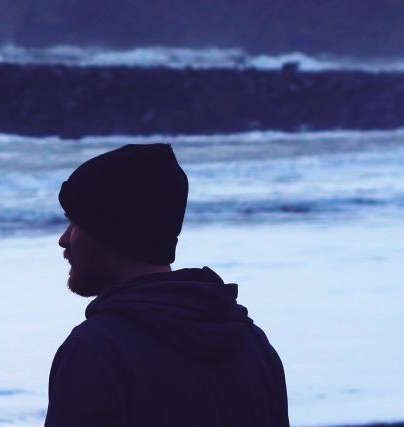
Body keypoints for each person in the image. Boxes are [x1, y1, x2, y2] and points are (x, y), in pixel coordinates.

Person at [46, 143, 289, 426]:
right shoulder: (252, 344)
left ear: (107, 231)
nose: (64, 239)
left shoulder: (96, 350)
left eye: (75, 223)